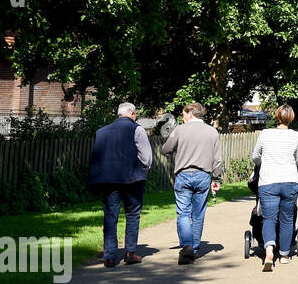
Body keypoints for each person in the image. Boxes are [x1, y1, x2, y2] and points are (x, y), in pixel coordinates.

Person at [86, 102, 152, 267]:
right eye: (135, 114)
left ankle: (109, 256)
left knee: (110, 216)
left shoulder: (101, 132)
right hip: (132, 179)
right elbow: (146, 157)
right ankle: (130, 252)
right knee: (133, 214)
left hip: (108, 180)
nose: (136, 116)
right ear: (131, 113)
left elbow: (98, 157)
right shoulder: (137, 129)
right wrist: (143, 170)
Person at [161, 102, 224, 265]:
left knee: (183, 213)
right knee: (198, 213)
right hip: (203, 176)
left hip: (183, 175)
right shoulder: (212, 132)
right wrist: (216, 179)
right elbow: (217, 160)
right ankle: (194, 249)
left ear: (190, 113)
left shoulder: (180, 130)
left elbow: (165, 150)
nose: (182, 117)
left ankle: (187, 245)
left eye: (183, 114)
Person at [251, 104, 298, 271]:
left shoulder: (265, 134)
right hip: (289, 181)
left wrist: (263, 163)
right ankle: (285, 255)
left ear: (276, 116)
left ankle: (269, 250)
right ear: (291, 118)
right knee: (287, 218)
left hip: (268, 182)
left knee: (268, 218)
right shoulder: (296, 136)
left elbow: (255, 156)